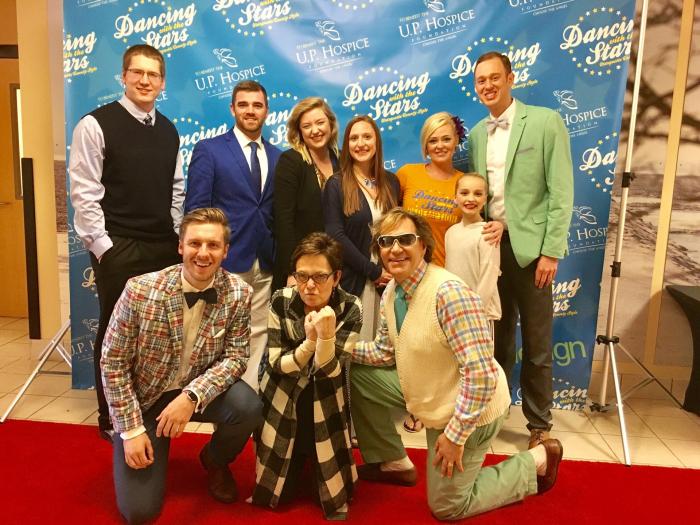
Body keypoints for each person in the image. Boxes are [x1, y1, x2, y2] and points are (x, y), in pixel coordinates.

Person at [349, 208, 563, 520]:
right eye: (386, 241)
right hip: (433, 394)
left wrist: (455, 435)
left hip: (472, 410)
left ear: (423, 245)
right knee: (360, 375)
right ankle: (391, 461)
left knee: (448, 506)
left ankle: (536, 460)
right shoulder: (393, 291)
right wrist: (337, 344)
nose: (395, 249)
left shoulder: (449, 294)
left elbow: (480, 377)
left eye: (405, 239)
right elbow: (383, 353)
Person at [101, 208, 263, 524]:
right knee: (139, 512)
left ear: (226, 251)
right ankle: (145, 440)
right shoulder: (140, 290)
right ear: (180, 246)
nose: (203, 253)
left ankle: (215, 459)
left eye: (213, 245)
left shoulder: (239, 293)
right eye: (195, 243)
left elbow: (236, 357)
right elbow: (113, 361)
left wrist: (191, 397)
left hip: (198, 392)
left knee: (249, 407)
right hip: (146, 398)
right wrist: (131, 430)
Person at [69, 44, 184, 441]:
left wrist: (175, 235)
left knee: (157, 335)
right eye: (138, 72)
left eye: (153, 75)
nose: (145, 81)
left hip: (163, 246)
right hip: (119, 246)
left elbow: (176, 189)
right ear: (124, 76)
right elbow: (84, 192)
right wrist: (105, 248)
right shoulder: (95, 124)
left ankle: (148, 409)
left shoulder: (168, 130)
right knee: (114, 334)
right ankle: (111, 417)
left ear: (163, 82)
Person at [468, 51, 574, 448]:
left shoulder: (546, 122)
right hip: (491, 249)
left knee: (536, 343)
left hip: (532, 253)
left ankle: (538, 425)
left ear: (510, 78)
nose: (488, 85)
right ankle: (493, 415)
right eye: (481, 80)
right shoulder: (477, 134)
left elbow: (561, 192)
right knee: (495, 341)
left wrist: (551, 252)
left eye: (494, 77)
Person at [253, 233, 362, 520]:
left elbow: (329, 371)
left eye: (320, 277)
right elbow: (277, 364)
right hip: (283, 395)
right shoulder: (281, 301)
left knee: (328, 493)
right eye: (302, 276)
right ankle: (297, 457)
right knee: (278, 494)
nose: (309, 285)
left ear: (336, 277)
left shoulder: (350, 307)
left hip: (325, 398)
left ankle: (310, 457)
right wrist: (311, 342)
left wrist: (326, 336)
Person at [185, 80, 282, 390]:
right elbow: (196, 210)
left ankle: (247, 397)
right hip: (224, 259)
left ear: (266, 110)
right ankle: (209, 396)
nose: (250, 111)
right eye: (243, 104)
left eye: (257, 105)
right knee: (215, 332)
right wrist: (205, 252)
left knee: (258, 331)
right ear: (232, 109)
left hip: (264, 260)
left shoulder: (279, 156)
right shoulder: (210, 150)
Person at [323, 115, 398, 341]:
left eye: (367, 137)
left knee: (387, 344)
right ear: (347, 145)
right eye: (354, 138)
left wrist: (388, 272)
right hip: (355, 280)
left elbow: (397, 229)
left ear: (377, 142)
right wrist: (373, 271)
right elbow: (335, 236)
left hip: (390, 280)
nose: (361, 143)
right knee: (353, 346)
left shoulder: (391, 182)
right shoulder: (336, 184)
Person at [272, 97, 340, 291]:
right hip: (303, 268)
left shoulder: (342, 159)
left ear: (330, 124)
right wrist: (293, 271)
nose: (315, 130)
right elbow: (283, 221)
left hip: (336, 265)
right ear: (299, 131)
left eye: (320, 122)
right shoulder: (291, 161)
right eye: (307, 126)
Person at [445, 173, 501, 324]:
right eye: (464, 193)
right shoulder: (450, 233)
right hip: (455, 311)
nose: (470, 199)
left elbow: (489, 275)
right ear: (455, 197)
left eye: (478, 194)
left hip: (480, 315)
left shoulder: (488, 232)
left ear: (485, 199)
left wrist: (474, 311)